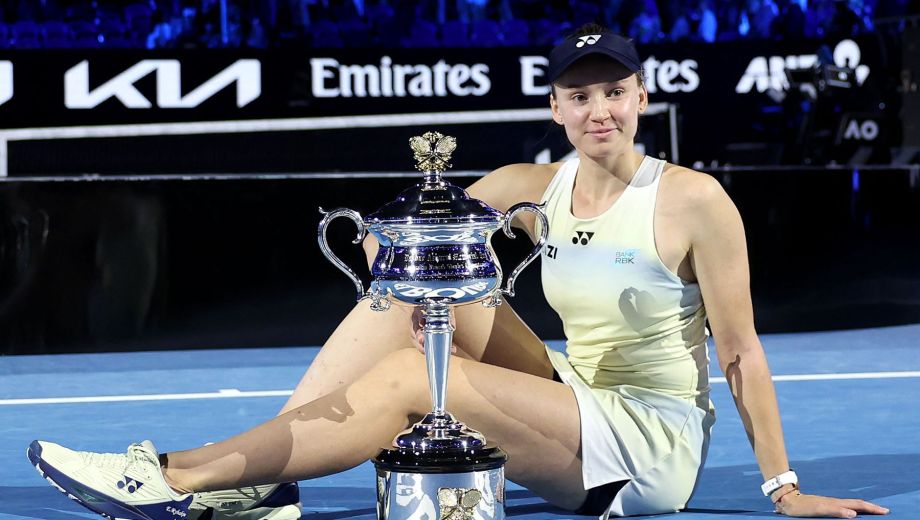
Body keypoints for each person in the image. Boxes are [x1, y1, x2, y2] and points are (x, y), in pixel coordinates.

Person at [27, 24, 891, 520]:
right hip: (570, 390)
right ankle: (265, 481)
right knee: (408, 298)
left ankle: (174, 476)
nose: (599, 110)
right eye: (580, 96)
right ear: (555, 107)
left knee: (413, 372)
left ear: (642, 97)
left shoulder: (695, 201)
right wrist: (390, 265)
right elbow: (400, 243)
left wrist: (785, 490)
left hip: (646, 445)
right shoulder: (530, 187)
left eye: (614, 92)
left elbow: (739, 354)